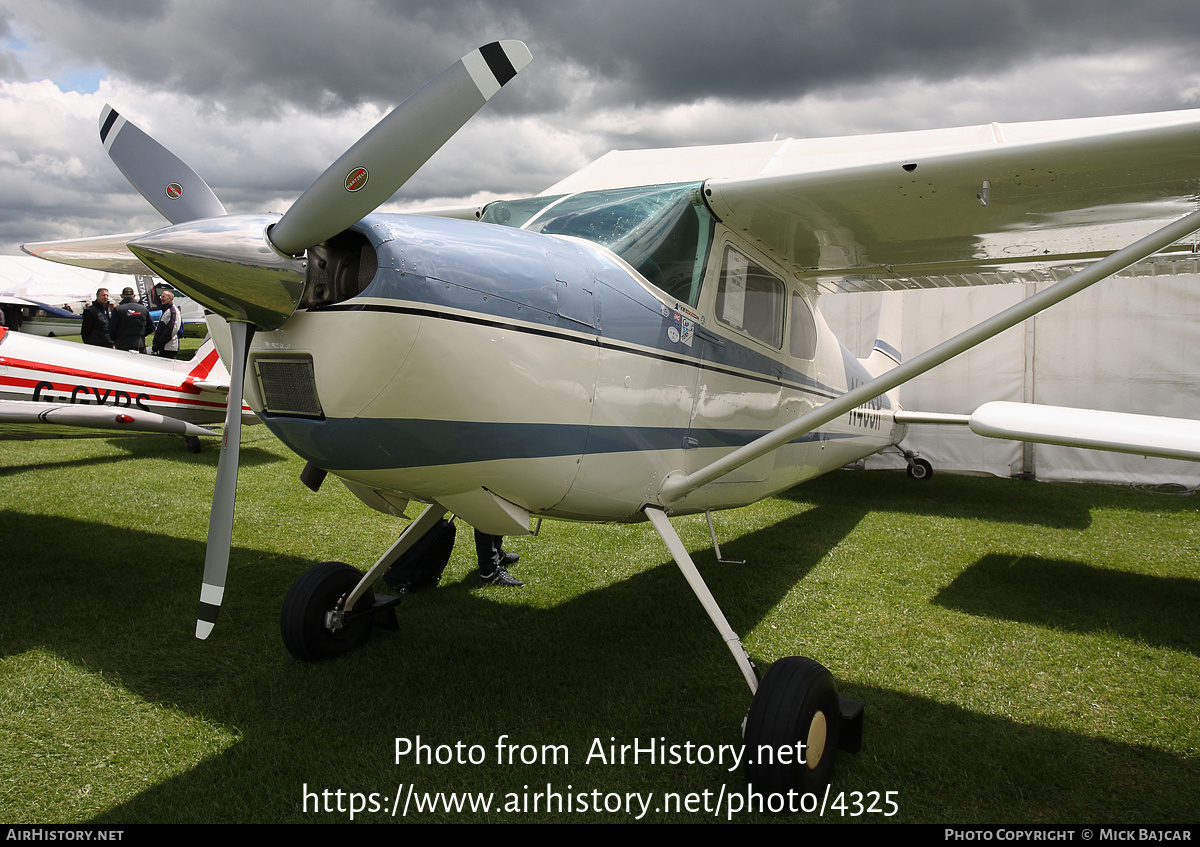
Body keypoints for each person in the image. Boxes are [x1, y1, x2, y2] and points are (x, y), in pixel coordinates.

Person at [108, 286, 150, 352]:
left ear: (121, 296)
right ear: (134, 296)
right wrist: (141, 335)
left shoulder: (118, 309)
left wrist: (116, 339)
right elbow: (151, 327)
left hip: (122, 343)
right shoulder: (143, 309)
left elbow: (112, 328)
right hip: (139, 343)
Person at [152, 289, 182, 358]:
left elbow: (172, 330)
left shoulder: (173, 311)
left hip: (169, 348)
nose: (161, 299)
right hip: (162, 347)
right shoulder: (166, 310)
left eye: (164, 297)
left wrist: (158, 344)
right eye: (161, 297)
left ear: (170, 298)